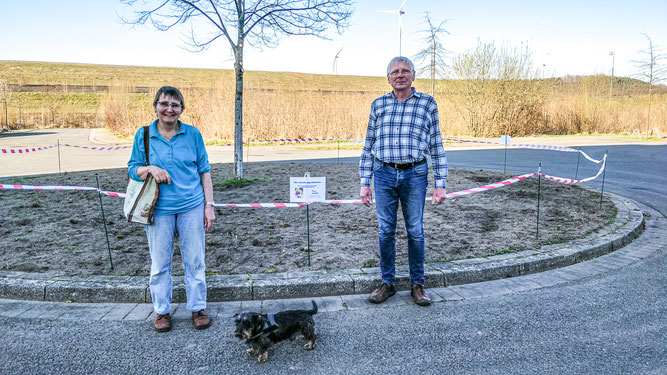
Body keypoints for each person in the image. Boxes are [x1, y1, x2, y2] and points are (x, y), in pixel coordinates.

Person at [359, 56, 448, 307]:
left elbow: (436, 145)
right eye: (395, 72)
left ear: (413, 75)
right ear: (388, 78)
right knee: (385, 231)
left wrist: (440, 182)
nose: (400, 75)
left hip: (415, 175)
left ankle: (417, 284)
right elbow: (369, 145)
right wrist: (365, 181)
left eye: (405, 71)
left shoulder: (427, 104)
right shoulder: (378, 105)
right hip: (384, 174)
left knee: (415, 231)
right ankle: (387, 283)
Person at [128, 86, 215, 332]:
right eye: (164, 103)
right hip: (158, 211)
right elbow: (132, 168)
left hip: (191, 206)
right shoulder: (143, 135)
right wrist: (149, 169)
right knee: (160, 264)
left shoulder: (193, 134)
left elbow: (204, 171)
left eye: (175, 105)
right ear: (155, 106)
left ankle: (198, 307)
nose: (169, 109)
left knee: (195, 261)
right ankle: (162, 311)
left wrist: (209, 206)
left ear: (181, 110)